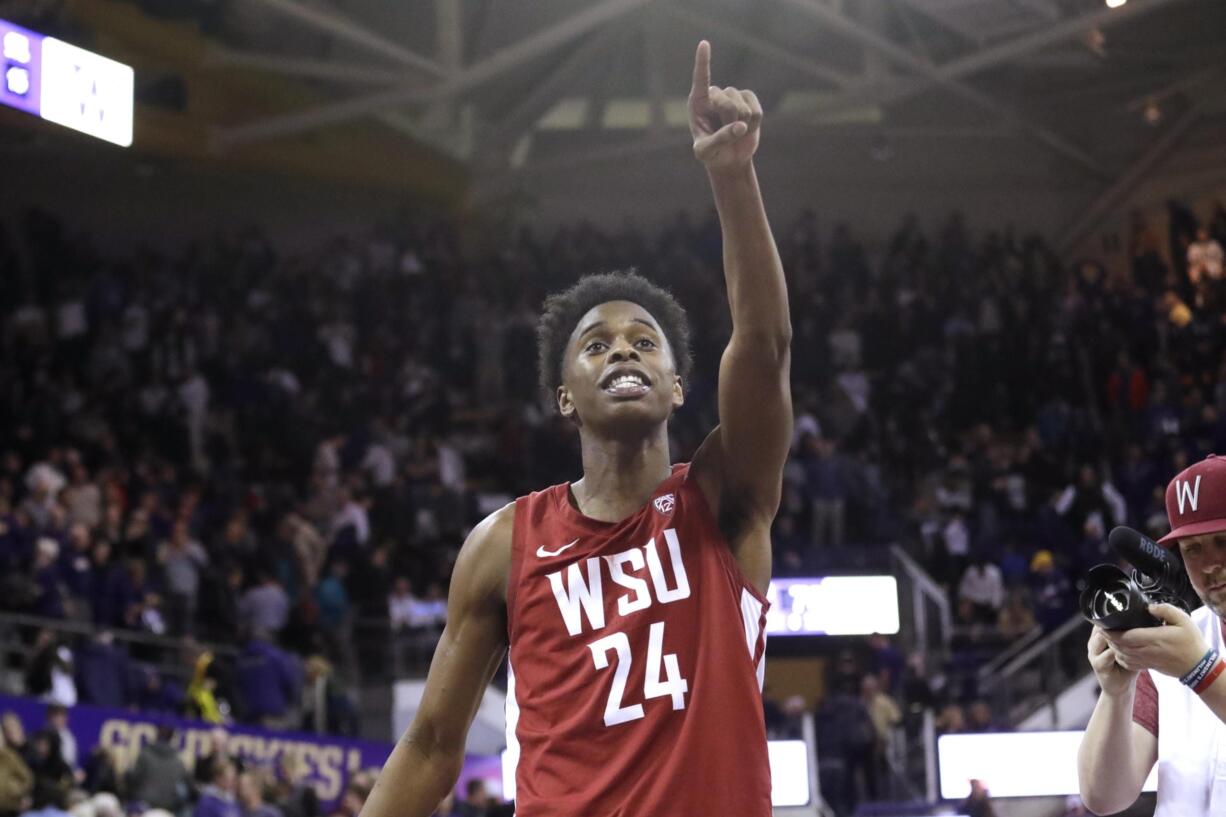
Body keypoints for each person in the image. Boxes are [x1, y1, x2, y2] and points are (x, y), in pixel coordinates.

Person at [360, 41, 791, 817]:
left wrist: (732, 176)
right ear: (565, 396)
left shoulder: (726, 498)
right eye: (596, 344)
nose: (622, 348)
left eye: (643, 341)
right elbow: (430, 744)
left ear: (677, 385)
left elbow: (763, 345)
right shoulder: (502, 543)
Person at [1078, 454, 1226, 814]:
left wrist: (1201, 671)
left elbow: (1199, 668)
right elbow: (1104, 796)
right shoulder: (1182, 639)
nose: (1209, 564)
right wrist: (1116, 692)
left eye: (1222, 540)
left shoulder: (1188, 653)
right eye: (1192, 549)